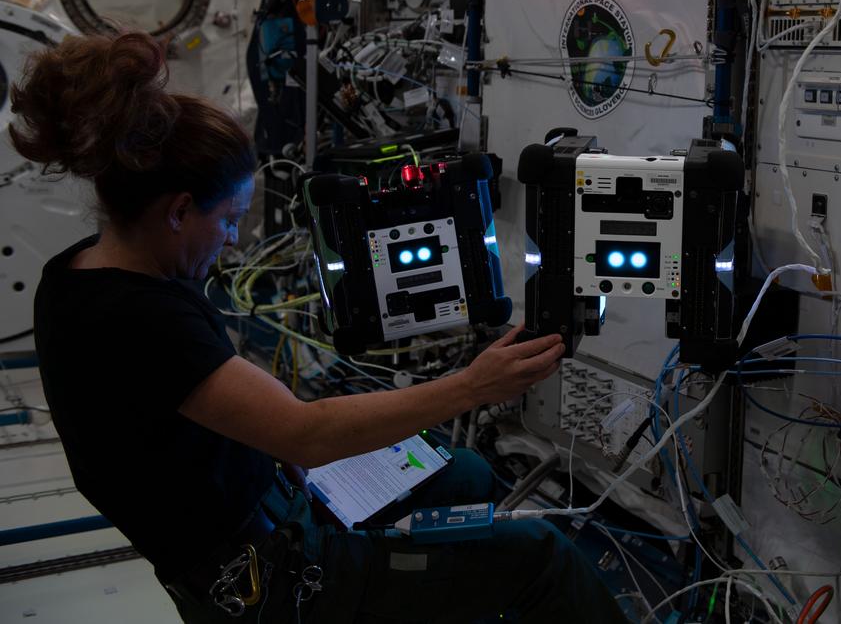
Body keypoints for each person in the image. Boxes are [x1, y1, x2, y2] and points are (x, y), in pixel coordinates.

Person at [9, 31, 631, 624]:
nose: (230, 240)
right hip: (269, 582)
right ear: (177, 212)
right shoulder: (135, 317)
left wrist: (282, 460)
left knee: (462, 472)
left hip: (277, 506)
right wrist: (473, 385)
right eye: (227, 220)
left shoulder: (81, 272)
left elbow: (232, 407)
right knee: (540, 556)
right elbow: (303, 433)